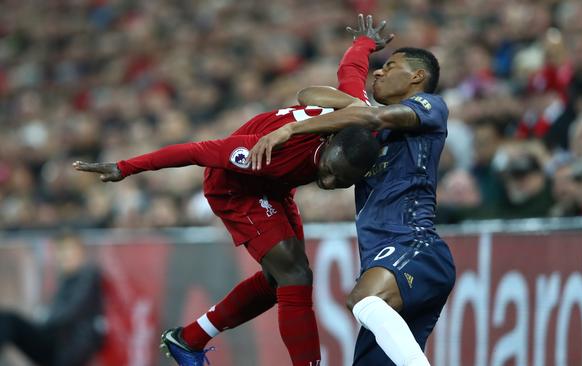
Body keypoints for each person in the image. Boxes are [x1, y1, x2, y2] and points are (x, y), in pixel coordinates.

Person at [73, 16, 388, 366]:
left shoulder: (360, 119)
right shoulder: (265, 151)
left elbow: (352, 74)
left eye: (340, 181)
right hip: (235, 185)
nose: (328, 182)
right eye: (328, 171)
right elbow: (195, 152)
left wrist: (364, 43)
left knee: (278, 281)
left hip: (275, 185)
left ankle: (188, 339)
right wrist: (126, 167)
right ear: (328, 141)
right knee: (295, 275)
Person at [250, 15, 455, 366]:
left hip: (416, 246)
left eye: (390, 66)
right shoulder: (367, 123)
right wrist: (361, 48)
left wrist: (290, 131)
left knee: (363, 300)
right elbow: (329, 87)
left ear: (417, 78)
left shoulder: (429, 108)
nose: (379, 72)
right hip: (382, 257)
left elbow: (372, 117)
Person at [0, 231, 105, 366]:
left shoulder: (88, 275)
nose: (63, 256)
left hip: (67, 346)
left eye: (67, 250)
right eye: (60, 251)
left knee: (10, 322)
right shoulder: (67, 277)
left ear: (80, 251)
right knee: (6, 320)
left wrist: (45, 321)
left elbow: (71, 311)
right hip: (56, 340)